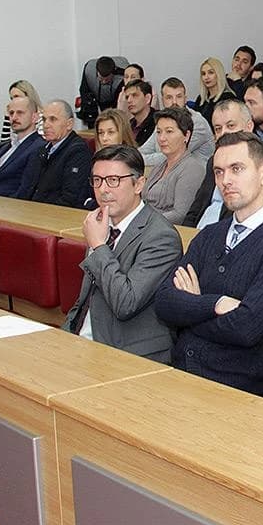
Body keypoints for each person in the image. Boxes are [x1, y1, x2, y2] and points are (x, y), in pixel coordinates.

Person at [155, 133, 263, 394]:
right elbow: (165, 302)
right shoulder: (210, 235)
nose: (226, 180)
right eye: (219, 172)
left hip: (234, 387)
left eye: (237, 169)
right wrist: (215, 303)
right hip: (179, 372)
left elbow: (246, 328)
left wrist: (191, 307)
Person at [63, 145, 182, 362]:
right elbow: (86, 299)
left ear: (139, 184)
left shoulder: (161, 236)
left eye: (114, 180)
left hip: (129, 351)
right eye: (97, 180)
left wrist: (99, 247)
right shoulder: (101, 224)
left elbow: (125, 303)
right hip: (84, 337)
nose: (103, 189)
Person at [182, 99, 263, 227]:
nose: (224, 133)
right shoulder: (214, 161)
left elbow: (250, 212)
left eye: (231, 126)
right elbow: (197, 206)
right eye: (218, 128)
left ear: (249, 127)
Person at [17, 99, 93, 207]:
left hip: (54, 216)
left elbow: (70, 199)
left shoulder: (78, 152)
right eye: (44, 120)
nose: (46, 125)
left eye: (53, 119)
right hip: (31, 211)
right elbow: (26, 189)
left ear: (69, 124)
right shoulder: (41, 150)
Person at [138, 108, 203, 223]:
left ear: (186, 136)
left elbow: (180, 215)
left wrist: (144, 222)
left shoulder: (192, 169)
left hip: (165, 231)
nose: (162, 138)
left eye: (169, 131)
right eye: (159, 132)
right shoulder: (159, 166)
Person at [139, 77, 214, 171]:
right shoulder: (164, 121)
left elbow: (173, 156)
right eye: (169, 97)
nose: (174, 102)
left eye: (179, 97)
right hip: (171, 172)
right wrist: (138, 158)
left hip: (197, 177)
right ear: (163, 100)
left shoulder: (197, 122)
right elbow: (143, 151)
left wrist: (141, 159)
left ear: (185, 99)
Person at [0, 96, 42, 197]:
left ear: (34, 117)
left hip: (11, 206)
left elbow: (25, 191)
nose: (14, 118)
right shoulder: (5, 147)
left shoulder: (39, 147)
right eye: (11, 113)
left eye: (20, 113)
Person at [78, 56, 123, 126]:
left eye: (107, 80)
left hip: (114, 99)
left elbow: (119, 103)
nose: (104, 82)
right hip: (95, 98)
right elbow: (84, 91)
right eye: (101, 79)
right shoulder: (89, 70)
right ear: (97, 72)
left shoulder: (121, 78)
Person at [0, 79, 44, 145]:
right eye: (12, 98)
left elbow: (40, 145)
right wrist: (7, 118)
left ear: (28, 96)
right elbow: (4, 144)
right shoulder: (14, 117)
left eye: (16, 97)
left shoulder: (43, 118)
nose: (14, 101)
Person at [193, 58, 236, 123]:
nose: (206, 77)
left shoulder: (228, 98)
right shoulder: (201, 99)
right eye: (203, 74)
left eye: (211, 73)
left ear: (219, 74)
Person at [122, 79, 157, 147]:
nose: (129, 100)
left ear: (147, 98)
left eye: (134, 95)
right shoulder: (127, 125)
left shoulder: (158, 122)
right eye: (127, 97)